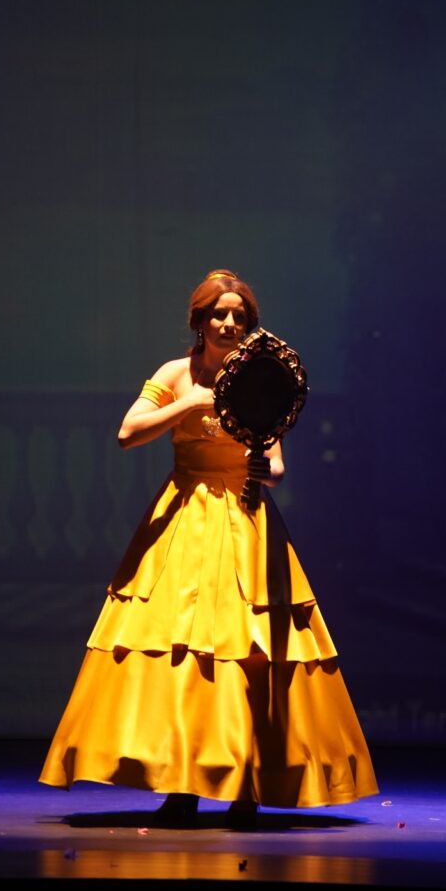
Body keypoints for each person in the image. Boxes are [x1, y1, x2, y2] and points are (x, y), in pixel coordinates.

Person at [39, 268, 378, 826]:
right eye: (219, 314)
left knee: (249, 654)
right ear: (200, 321)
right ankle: (182, 786)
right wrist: (189, 405)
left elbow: (276, 466)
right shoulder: (175, 373)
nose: (228, 323)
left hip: (244, 521)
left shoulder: (261, 376)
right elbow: (127, 433)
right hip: (184, 519)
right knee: (177, 653)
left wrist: (263, 467)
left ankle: (246, 786)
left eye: (239, 316)